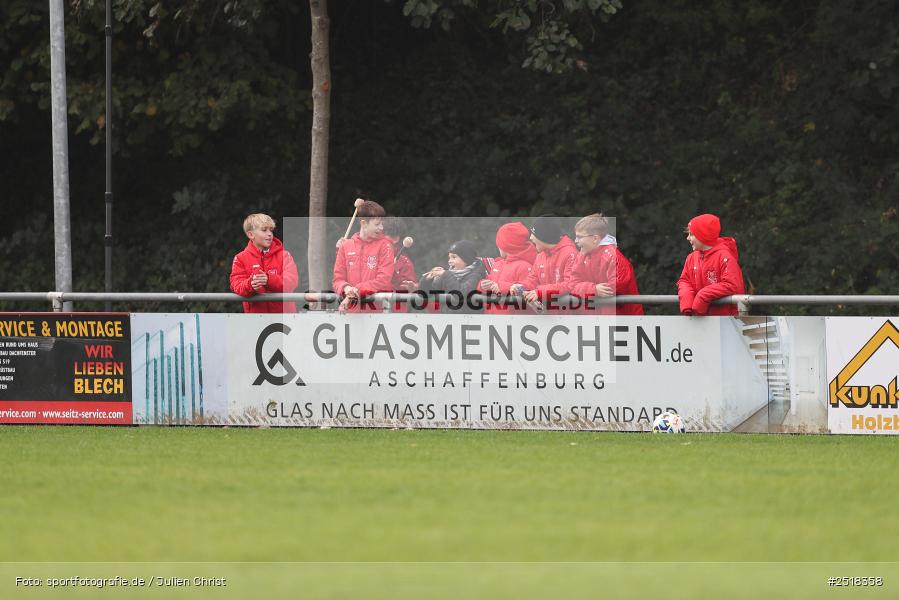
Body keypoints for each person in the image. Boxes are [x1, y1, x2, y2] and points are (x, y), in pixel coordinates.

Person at [568, 213, 643, 315]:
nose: (575, 241)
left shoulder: (614, 257)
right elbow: (572, 284)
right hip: (597, 320)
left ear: (595, 238)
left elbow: (613, 287)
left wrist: (588, 290)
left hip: (622, 321)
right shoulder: (582, 257)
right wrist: (593, 289)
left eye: (579, 237)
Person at [332, 200, 395, 312]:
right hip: (350, 313)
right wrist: (345, 288)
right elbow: (338, 279)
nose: (381, 228)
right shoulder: (345, 246)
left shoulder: (386, 245)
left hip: (378, 313)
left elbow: (383, 280)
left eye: (382, 224)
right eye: (377, 224)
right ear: (364, 224)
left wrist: (356, 290)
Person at [229, 213, 299, 313]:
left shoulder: (285, 255)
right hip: (256, 321)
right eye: (264, 230)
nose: (269, 234)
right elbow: (236, 285)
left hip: (285, 319)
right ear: (250, 234)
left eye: (271, 230)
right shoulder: (240, 258)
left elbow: (292, 282)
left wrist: (269, 280)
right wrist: (251, 285)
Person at [677, 213, 745, 316]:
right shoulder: (691, 258)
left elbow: (732, 285)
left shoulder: (725, 257)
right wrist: (687, 302)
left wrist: (703, 295)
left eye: (691, 234)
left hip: (726, 321)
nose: (688, 238)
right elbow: (684, 281)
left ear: (703, 235)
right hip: (701, 321)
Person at [510, 214, 579, 312]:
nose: (530, 238)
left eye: (534, 234)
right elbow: (533, 279)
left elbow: (570, 284)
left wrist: (540, 292)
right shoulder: (541, 255)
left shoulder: (570, 254)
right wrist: (521, 286)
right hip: (548, 318)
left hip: (568, 317)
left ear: (544, 237)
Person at [477, 222, 536, 314]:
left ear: (506, 246)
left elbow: (526, 293)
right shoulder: (498, 264)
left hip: (514, 324)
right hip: (492, 321)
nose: (498, 247)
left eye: (499, 245)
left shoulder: (524, 266)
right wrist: (482, 286)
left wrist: (501, 288)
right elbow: (487, 284)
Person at [419, 240, 488, 313]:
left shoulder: (477, 275)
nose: (449, 261)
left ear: (467, 259)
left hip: (468, 322)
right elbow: (424, 294)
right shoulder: (449, 274)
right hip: (448, 321)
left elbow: (462, 295)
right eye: (449, 257)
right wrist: (428, 280)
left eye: (454, 257)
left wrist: (446, 275)